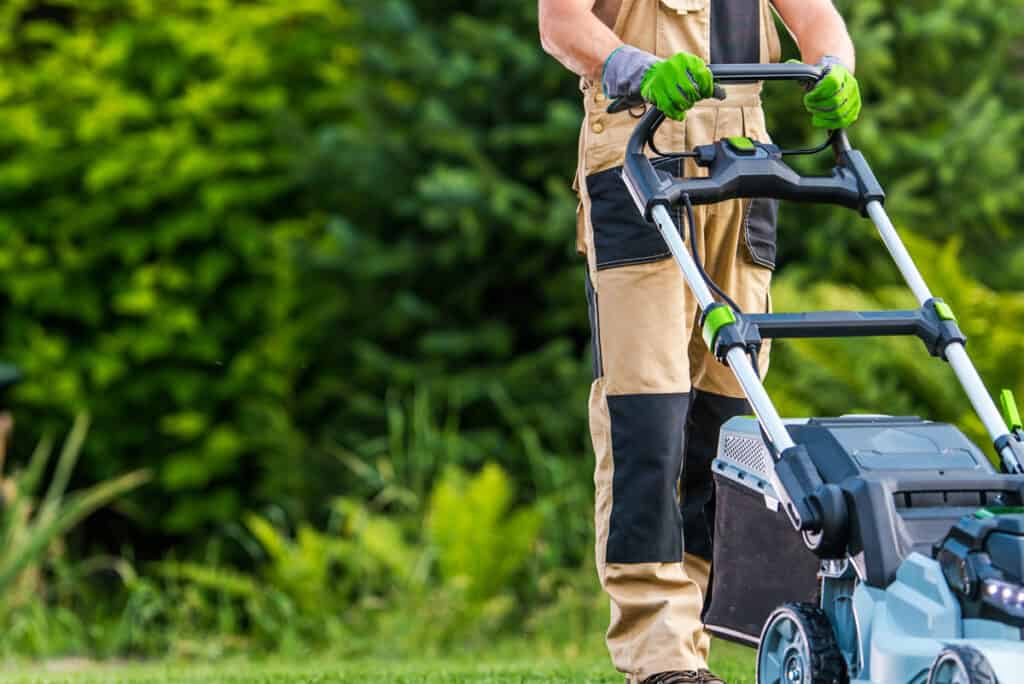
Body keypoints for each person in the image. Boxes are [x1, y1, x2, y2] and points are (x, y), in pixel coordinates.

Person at [537, 2, 860, 682]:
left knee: (729, 419)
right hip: (637, 145)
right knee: (647, 414)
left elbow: (817, 21)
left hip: (744, 160)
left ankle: (703, 632)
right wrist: (635, 68)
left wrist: (834, 68)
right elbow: (560, 24)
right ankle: (660, 652)